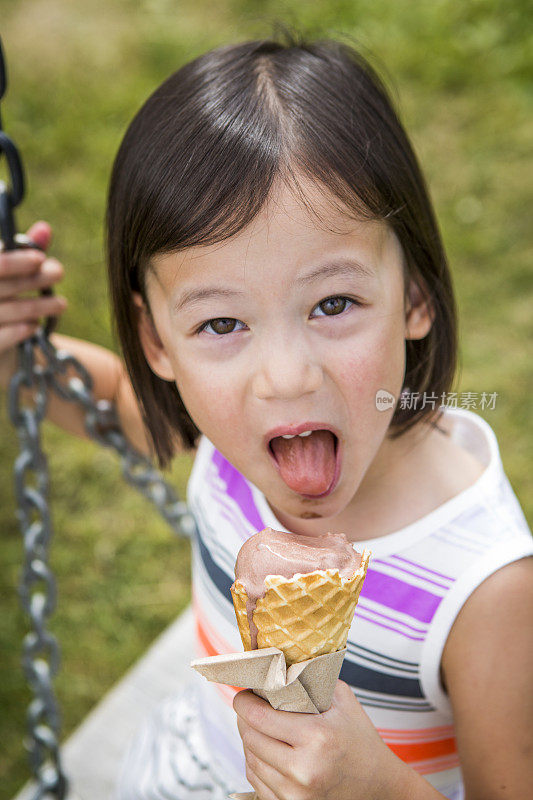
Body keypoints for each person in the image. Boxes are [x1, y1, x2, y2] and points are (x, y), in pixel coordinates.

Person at [1, 31, 532, 800]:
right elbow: (111, 404)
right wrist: (18, 353)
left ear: (414, 296)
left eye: (334, 303)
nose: (285, 379)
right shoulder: (226, 441)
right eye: (221, 325)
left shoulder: (486, 588)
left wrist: (373, 787)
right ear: (157, 342)